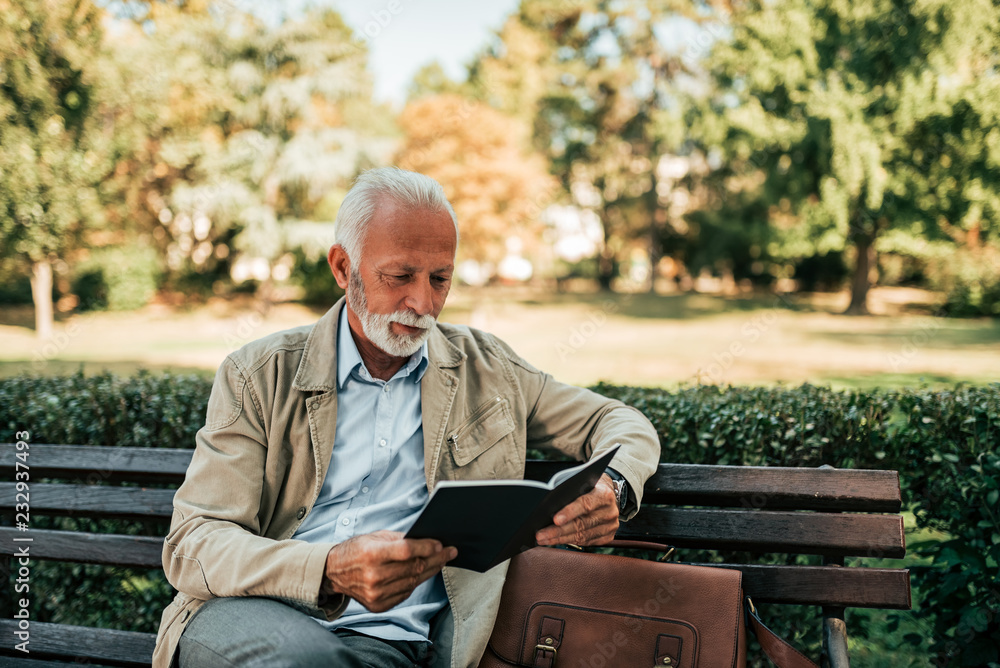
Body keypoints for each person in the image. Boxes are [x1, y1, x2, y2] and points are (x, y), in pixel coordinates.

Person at [153, 168, 660, 668]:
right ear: (342, 267)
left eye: (440, 279)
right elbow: (195, 542)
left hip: (385, 645)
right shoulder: (258, 374)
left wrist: (613, 485)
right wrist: (326, 570)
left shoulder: (491, 371)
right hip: (249, 616)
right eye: (399, 277)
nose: (422, 303)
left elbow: (620, 422)